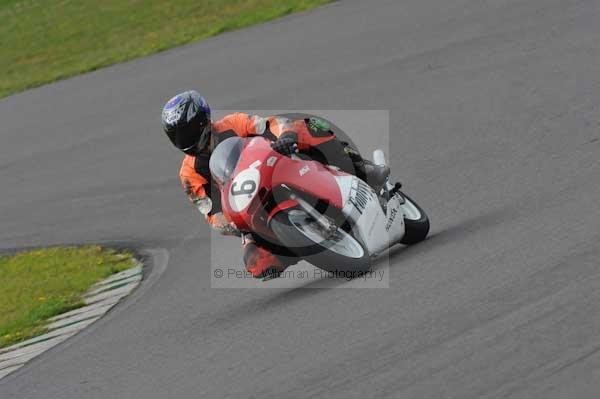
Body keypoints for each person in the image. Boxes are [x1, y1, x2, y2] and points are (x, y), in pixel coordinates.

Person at [162, 90, 389, 279]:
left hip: (280, 166)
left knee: (306, 127)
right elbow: (212, 215)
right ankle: (308, 243)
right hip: (251, 209)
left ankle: (362, 168)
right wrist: (237, 225)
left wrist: (286, 137)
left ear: (202, 120)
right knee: (257, 264)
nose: (184, 140)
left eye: (187, 131)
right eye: (177, 136)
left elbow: (274, 124)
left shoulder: (234, 123)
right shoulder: (189, 174)